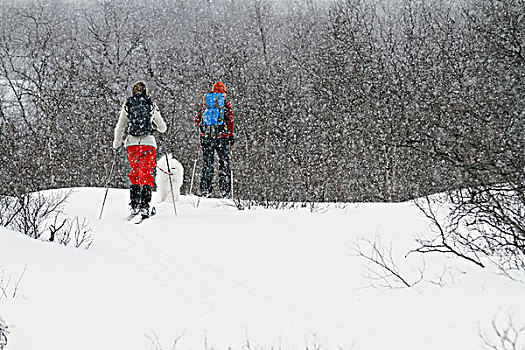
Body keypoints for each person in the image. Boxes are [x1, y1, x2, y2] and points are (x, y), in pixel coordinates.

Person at [113, 81, 167, 218]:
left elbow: (120, 127)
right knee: (147, 175)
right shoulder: (150, 105)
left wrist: (117, 142)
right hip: (148, 144)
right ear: (145, 92)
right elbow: (162, 127)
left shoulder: (128, 106)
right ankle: (144, 205)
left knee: (134, 174)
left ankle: (134, 204)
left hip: (131, 145)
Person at [194, 81, 235, 198]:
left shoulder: (206, 103)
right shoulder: (225, 104)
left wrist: (205, 130)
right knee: (224, 163)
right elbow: (230, 120)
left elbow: (197, 120)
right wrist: (230, 134)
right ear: (223, 92)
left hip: (207, 138)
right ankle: (225, 192)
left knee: (208, 163)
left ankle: (205, 190)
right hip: (223, 138)